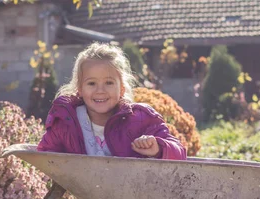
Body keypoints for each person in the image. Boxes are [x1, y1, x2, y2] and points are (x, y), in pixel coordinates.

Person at [37, 42, 187, 160]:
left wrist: (158, 148)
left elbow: (179, 152)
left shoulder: (140, 119)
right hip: (83, 193)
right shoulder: (66, 123)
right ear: (80, 89)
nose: (100, 90)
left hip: (132, 193)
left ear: (121, 88)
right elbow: (45, 154)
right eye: (91, 83)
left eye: (109, 83)